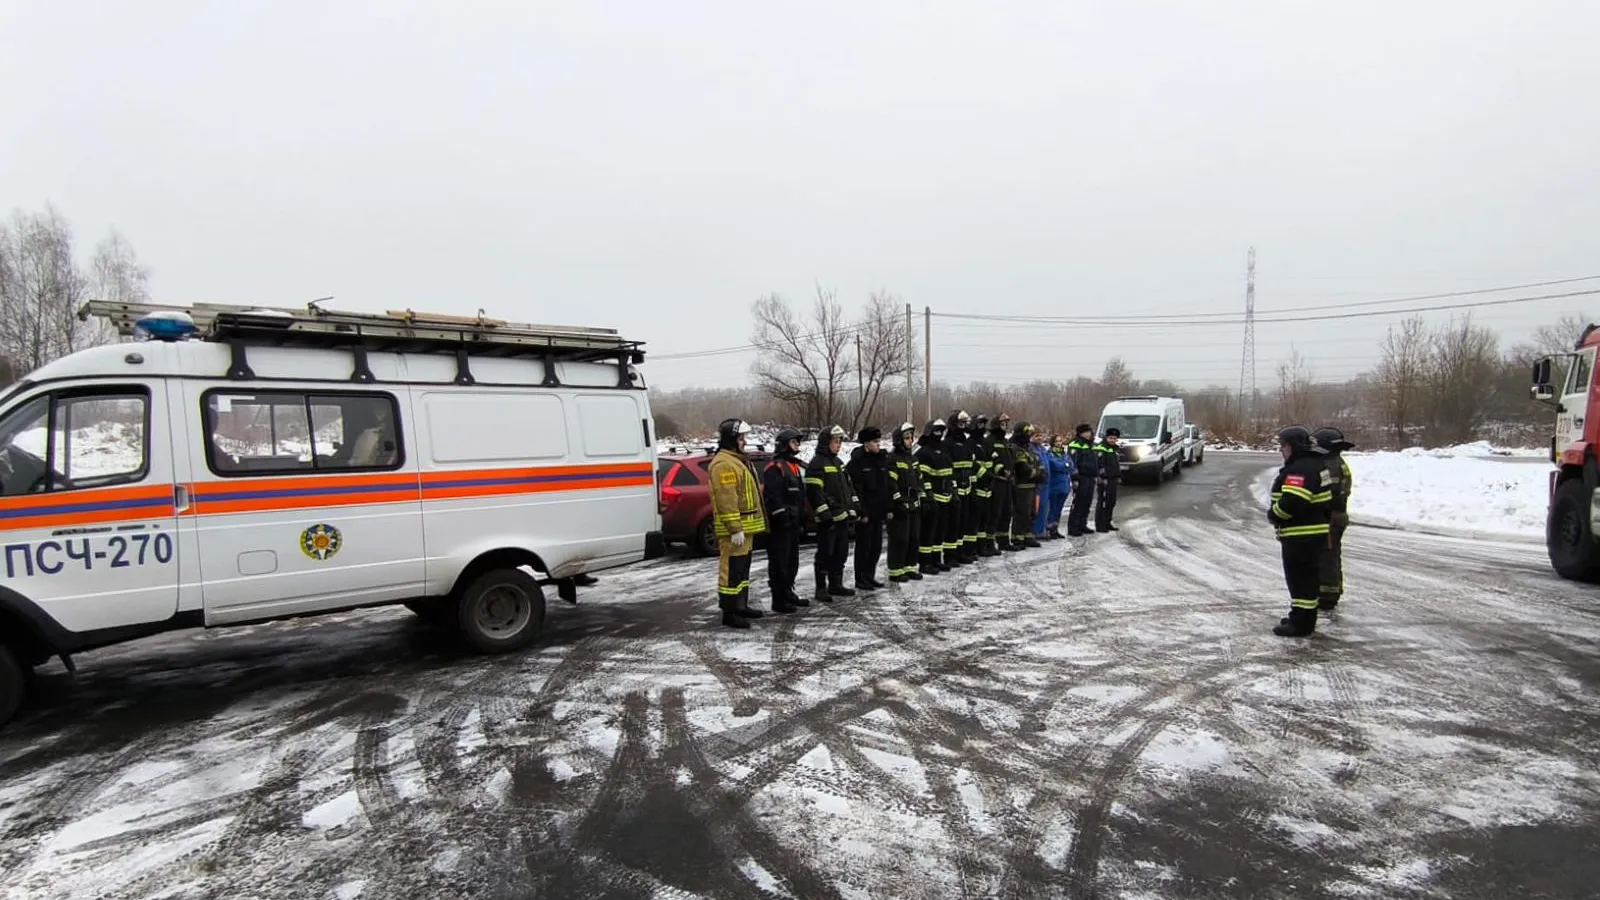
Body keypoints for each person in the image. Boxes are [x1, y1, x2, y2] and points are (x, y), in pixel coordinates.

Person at [1269, 425, 1333, 637]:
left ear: (1294, 446)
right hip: (1310, 534)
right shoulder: (1312, 464)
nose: (1282, 450)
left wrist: (1274, 514)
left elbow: (1294, 501)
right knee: (1305, 579)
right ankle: (1300, 615)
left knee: (1300, 580)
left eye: (1284, 446)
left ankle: (1302, 624)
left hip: (1302, 535)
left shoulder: (1301, 468)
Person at [708, 418, 769, 629]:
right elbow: (727, 499)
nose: (745, 442)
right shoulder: (724, 463)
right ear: (731, 439)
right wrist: (735, 528)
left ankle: (740, 605)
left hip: (745, 529)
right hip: (735, 531)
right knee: (731, 571)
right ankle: (730, 612)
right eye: (741, 438)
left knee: (741, 571)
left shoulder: (737, 460)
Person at [806, 424, 859, 601]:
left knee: (840, 553)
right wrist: (824, 513)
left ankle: (836, 584)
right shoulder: (816, 464)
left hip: (842, 518)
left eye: (839, 442)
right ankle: (821, 588)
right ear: (825, 442)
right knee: (824, 554)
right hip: (827, 521)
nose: (838, 445)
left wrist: (853, 507)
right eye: (835, 442)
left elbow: (848, 489)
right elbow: (815, 492)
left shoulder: (839, 463)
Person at [761, 427, 808, 613]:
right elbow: (773, 496)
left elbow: (799, 496)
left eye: (798, 442)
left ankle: (788, 591)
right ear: (784, 445)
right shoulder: (775, 467)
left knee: (791, 561)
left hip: (794, 522)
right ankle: (778, 599)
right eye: (794, 442)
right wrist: (782, 516)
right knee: (779, 562)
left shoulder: (794, 466)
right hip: (780, 525)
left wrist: (801, 517)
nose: (797, 445)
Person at [1313, 426, 1355, 611]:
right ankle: (1333, 590)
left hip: (1330, 516)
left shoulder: (1330, 464)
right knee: (1332, 553)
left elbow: (1327, 491)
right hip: (1337, 515)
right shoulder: (1338, 462)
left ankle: (1327, 595)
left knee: (1326, 555)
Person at [846, 426, 892, 591]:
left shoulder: (881, 460)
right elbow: (856, 490)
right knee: (863, 548)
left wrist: (888, 508)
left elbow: (886, 487)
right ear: (866, 443)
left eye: (879, 441)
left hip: (878, 512)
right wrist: (862, 512)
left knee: (876, 547)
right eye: (874, 441)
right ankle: (861, 578)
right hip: (866, 513)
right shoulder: (857, 463)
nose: (878, 444)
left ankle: (870, 576)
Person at [886, 422, 923, 582]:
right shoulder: (892, 459)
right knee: (899, 539)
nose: (910, 441)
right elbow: (891, 484)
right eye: (907, 438)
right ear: (899, 440)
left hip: (914, 505)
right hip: (900, 507)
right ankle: (896, 571)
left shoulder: (913, 459)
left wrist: (922, 496)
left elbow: (920, 479)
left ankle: (910, 568)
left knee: (914, 538)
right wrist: (898, 502)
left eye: (911, 438)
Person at [915, 418, 952, 574]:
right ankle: (925, 563)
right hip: (932, 499)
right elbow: (924, 477)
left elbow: (950, 472)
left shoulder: (943, 449)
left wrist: (953, 491)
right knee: (928, 533)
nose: (939, 434)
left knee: (940, 532)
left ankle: (937, 560)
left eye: (941, 431)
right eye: (936, 431)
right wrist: (928, 496)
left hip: (945, 497)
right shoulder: (923, 452)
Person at [944, 410, 975, 565]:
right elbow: (948, 468)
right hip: (954, 489)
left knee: (964, 522)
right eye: (960, 424)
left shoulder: (965, 441)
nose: (963, 427)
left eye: (964, 424)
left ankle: (961, 552)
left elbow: (971, 464)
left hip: (966, 487)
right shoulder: (948, 442)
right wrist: (952, 489)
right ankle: (950, 556)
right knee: (952, 524)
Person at [1009, 422, 1043, 549]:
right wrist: (1036, 474)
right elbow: (1023, 468)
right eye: (1027, 433)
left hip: (1032, 485)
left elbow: (1038, 462)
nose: (1029, 436)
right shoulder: (1016, 447)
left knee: (1031, 513)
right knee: (1021, 513)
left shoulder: (1029, 447)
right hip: (1021, 486)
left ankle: (1028, 536)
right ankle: (1017, 538)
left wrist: (1040, 473)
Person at [986, 414, 1015, 552]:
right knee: (994, 512)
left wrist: (1011, 471)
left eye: (1006, 424)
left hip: (1007, 482)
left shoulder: (1005, 441)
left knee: (1006, 512)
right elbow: (991, 460)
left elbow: (1010, 458)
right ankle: (989, 542)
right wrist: (1001, 470)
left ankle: (1003, 541)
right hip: (996, 482)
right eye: (1002, 424)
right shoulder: (990, 441)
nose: (1004, 427)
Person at [1066, 423, 1099, 536]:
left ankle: (1082, 524)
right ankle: (1073, 526)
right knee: (1079, 502)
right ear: (1081, 433)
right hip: (1081, 477)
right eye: (1086, 432)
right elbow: (1072, 462)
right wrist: (1075, 478)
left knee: (1087, 502)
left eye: (1090, 432)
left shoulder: (1090, 445)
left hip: (1090, 477)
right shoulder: (1076, 444)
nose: (1089, 434)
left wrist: (1096, 474)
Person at [1043, 433, 1073, 539]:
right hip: (1054, 486)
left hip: (1064, 486)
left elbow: (1071, 465)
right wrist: (1065, 465)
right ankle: (1048, 529)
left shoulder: (1064, 454)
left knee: (1058, 510)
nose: (1059, 443)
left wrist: (1065, 465)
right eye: (1056, 441)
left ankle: (1055, 528)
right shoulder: (1049, 454)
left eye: (1060, 441)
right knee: (1052, 509)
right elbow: (1055, 465)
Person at [1094, 428, 1122, 533]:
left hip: (1113, 478)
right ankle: (1100, 525)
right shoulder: (1101, 448)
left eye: (1115, 438)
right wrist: (1102, 477)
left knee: (1111, 502)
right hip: (1105, 479)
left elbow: (1115, 465)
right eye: (1110, 438)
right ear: (1106, 437)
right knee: (1103, 502)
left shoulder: (1113, 449)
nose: (1112, 440)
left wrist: (1118, 475)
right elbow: (1100, 465)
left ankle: (1107, 522)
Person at [1030, 427, 1051, 541]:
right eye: (1036, 436)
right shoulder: (1031, 449)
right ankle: (1034, 531)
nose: (1039, 438)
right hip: (1037, 483)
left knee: (1044, 508)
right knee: (1036, 508)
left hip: (1046, 483)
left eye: (1040, 436)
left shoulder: (1042, 449)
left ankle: (1041, 529)